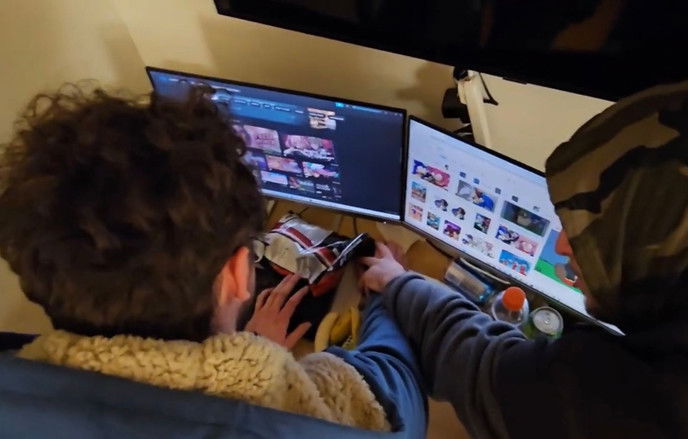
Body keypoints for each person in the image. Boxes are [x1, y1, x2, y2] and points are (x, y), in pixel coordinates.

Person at [360, 75, 688, 438]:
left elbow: (480, 369)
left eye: (600, 237)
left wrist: (397, 284)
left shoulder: (648, 402)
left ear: (670, 255)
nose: (561, 247)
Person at [0, 86, 426, 437]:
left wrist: (247, 347)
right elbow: (394, 398)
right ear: (239, 273)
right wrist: (389, 290)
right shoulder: (287, 413)